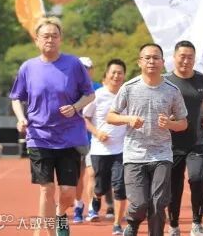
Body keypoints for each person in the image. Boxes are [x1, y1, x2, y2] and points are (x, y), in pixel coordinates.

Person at [10, 16, 96, 236]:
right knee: (46, 188)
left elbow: (89, 94)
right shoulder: (28, 68)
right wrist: (20, 118)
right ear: (37, 40)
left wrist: (75, 107)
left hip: (69, 137)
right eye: (46, 36)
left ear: (60, 39)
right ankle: (48, 233)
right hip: (39, 136)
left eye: (54, 36)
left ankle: (60, 214)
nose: (50, 39)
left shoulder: (74, 64)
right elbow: (16, 97)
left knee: (68, 193)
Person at [107, 43, 188, 236]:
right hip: (134, 154)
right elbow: (110, 116)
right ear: (140, 62)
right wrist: (128, 119)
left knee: (158, 203)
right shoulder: (129, 88)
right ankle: (133, 223)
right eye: (147, 58)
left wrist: (170, 124)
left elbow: (184, 123)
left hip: (161, 154)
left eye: (156, 58)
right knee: (139, 204)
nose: (152, 61)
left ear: (163, 62)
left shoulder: (172, 90)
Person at [166, 40, 203, 236]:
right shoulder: (165, 81)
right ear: (174, 57)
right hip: (172, 143)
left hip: (197, 141)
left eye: (190, 57)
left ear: (194, 59)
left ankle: (196, 223)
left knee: (197, 178)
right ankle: (174, 225)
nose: (186, 61)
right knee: (174, 186)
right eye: (182, 57)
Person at [83, 59, 129, 234]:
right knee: (101, 187)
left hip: (121, 149)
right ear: (107, 75)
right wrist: (97, 133)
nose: (116, 76)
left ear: (124, 76)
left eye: (120, 73)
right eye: (113, 72)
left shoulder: (127, 95)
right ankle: (96, 198)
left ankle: (117, 224)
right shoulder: (97, 95)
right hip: (100, 149)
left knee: (119, 187)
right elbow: (85, 118)